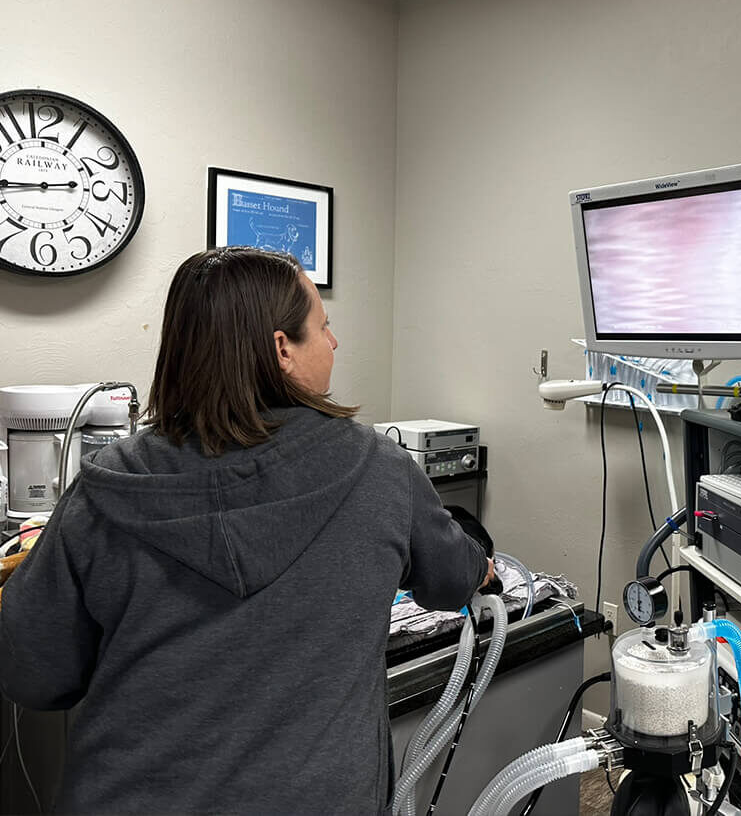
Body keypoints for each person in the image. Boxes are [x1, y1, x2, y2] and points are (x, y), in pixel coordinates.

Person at [0, 247, 492, 815]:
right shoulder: (380, 469)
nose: (334, 342)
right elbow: (455, 580)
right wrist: (478, 560)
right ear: (283, 349)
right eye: (323, 326)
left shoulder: (105, 489)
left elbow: (33, 675)